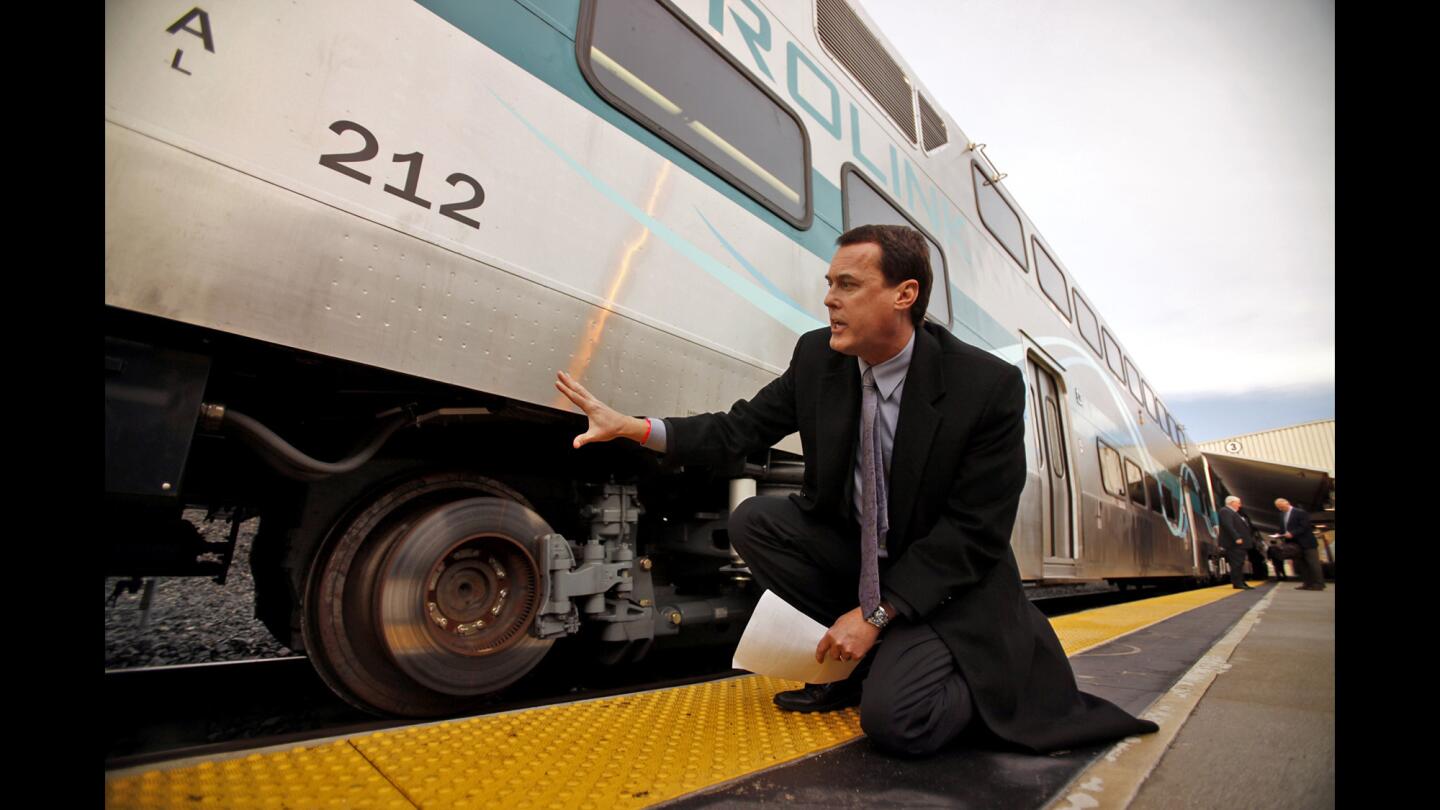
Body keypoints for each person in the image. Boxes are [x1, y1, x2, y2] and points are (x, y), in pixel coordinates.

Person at [555, 224, 1158, 757]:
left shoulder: (986, 386)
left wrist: (875, 614)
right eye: (829, 283)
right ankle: (876, 655)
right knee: (756, 522)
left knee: (899, 726)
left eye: (847, 284)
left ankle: (955, 669)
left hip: (946, 585)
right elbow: (741, 429)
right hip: (860, 556)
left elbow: (974, 533)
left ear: (904, 295)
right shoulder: (818, 357)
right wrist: (634, 428)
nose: (828, 299)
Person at [1275, 498, 1325, 590]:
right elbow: (1283, 528)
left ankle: (1319, 584)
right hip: (1294, 545)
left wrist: (1293, 533)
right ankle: (1307, 583)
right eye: (1279, 508)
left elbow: (1305, 526)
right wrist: (1279, 534)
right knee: (1302, 565)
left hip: (1307, 543)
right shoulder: (1282, 515)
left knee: (1313, 564)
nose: (1281, 509)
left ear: (1287, 503)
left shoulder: (1300, 512)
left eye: (1281, 507)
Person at [1217, 496, 1254, 589]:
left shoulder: (1233, 512)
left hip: (1239, 543)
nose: (1239, 505)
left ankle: (1241, 582)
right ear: (1232, 502)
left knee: (1240, 563)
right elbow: (1228, 525)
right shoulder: (1225, 511)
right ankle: (1237, 583)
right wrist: (1236, 537)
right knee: (1236, 563)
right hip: (1234, 543)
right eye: (1238, 503)